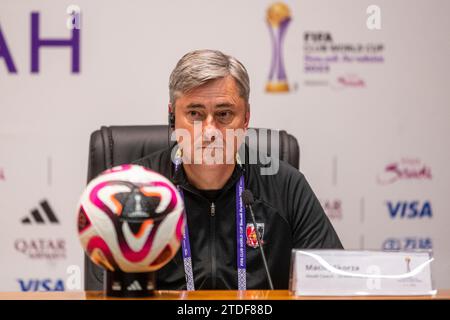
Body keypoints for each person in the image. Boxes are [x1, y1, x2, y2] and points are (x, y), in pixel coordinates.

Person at [134, 49, 343, 290]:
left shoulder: (285, 185)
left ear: (246, 119)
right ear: (172, 118)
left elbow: (332, 285)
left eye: (224, 114)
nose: (210, 130)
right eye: (194, 114)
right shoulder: (135, 188)